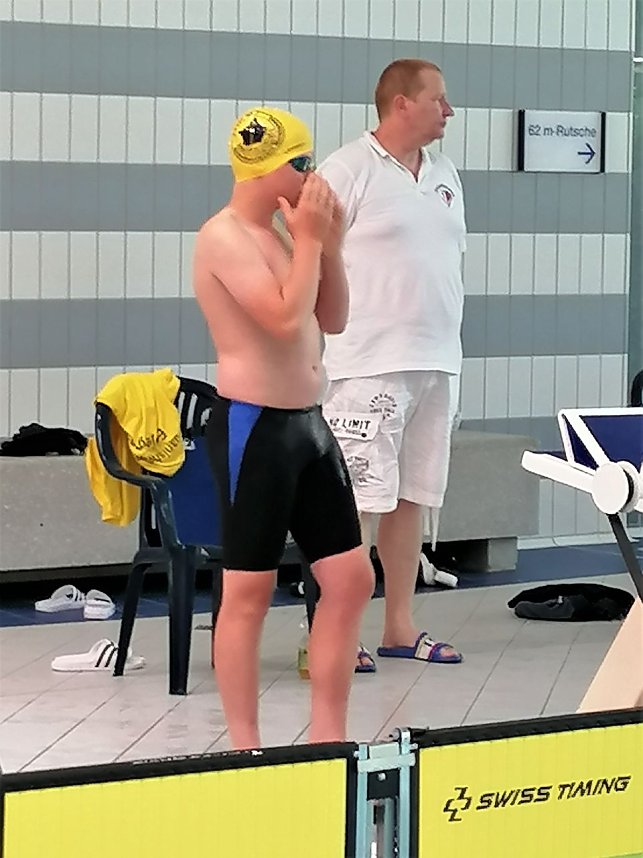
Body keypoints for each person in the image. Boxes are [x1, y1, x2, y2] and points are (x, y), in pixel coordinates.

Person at [192, 106, 375, 750]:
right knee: (249, 589)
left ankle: (328, 738)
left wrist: (330, 244)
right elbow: (279, 316)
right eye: (303, 164)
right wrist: (314, 242)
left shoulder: (280, 233)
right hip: (253, 427)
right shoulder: (223, 237)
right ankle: (246, 748)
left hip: (308, 426)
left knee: (352, 578)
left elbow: (334, 316)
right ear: (271, 168)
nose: (313, 177)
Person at [316, 58, 466, 668]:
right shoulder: (346, 169)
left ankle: (399, 627)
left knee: (413, 498)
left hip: (436, 360)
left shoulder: (445, 171)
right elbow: (302, 242)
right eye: (439, 99)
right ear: (402, 104)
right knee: (357, 503)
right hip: (367, 364)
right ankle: (335, 632)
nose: (449, 111)